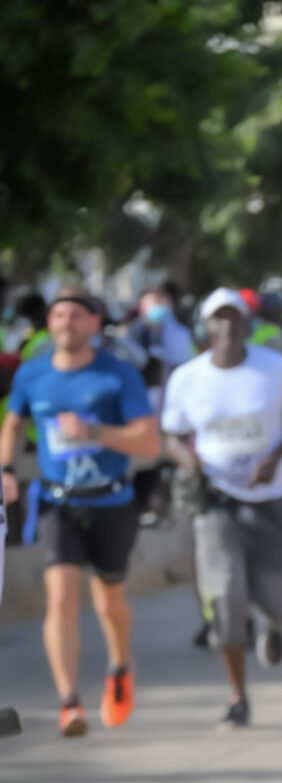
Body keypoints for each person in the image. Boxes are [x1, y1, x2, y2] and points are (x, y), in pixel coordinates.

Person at [0, 288, 160, 734]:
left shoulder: (117, 375)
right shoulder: (32, 375)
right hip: (56, 503)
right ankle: (70, 702)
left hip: (111, 501)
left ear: (93, 324)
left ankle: (120, 666)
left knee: (109, 601)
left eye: (75, 315)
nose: (65, 321)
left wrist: (94, 430)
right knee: (61, 597)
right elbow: (12, 424)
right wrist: (7, 468)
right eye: (58, 314)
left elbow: (148, 442)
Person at [162, 288, 282, 729]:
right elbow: (171, 434)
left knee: (277, 598)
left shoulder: (276, 369)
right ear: (205, 328)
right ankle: (237, 695)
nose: (226, 326)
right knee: (225, 594)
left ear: (246, 324)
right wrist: (186, 460)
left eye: (234, 318)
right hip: (215, 500)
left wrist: (275, 458)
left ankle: (276, 625)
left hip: (269, 499)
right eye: (217, 319)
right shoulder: (188, 378)